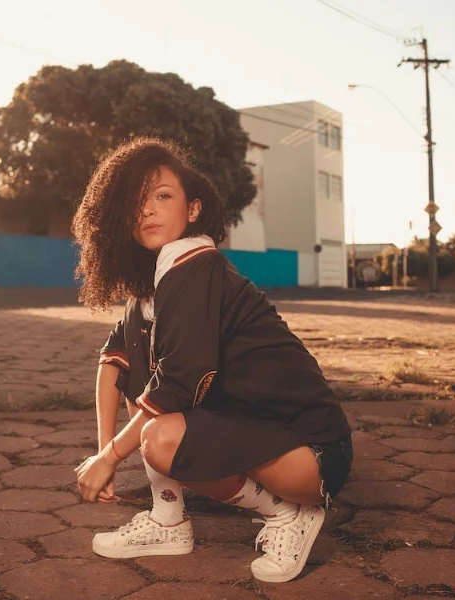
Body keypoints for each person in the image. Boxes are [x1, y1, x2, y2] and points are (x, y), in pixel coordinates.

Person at [72, 137, 353, 583]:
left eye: (163, 196)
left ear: (194, 209)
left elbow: (181, 383)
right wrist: (103, 455)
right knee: (145, 380)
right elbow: (115, 365)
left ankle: (287, 515)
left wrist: (110, 457)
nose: (147, 210)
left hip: (313, 453)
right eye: (136, 201)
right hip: (259, 435)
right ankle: (168, 521)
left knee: (161, 434)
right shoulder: (151, 287)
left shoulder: (195, 263)